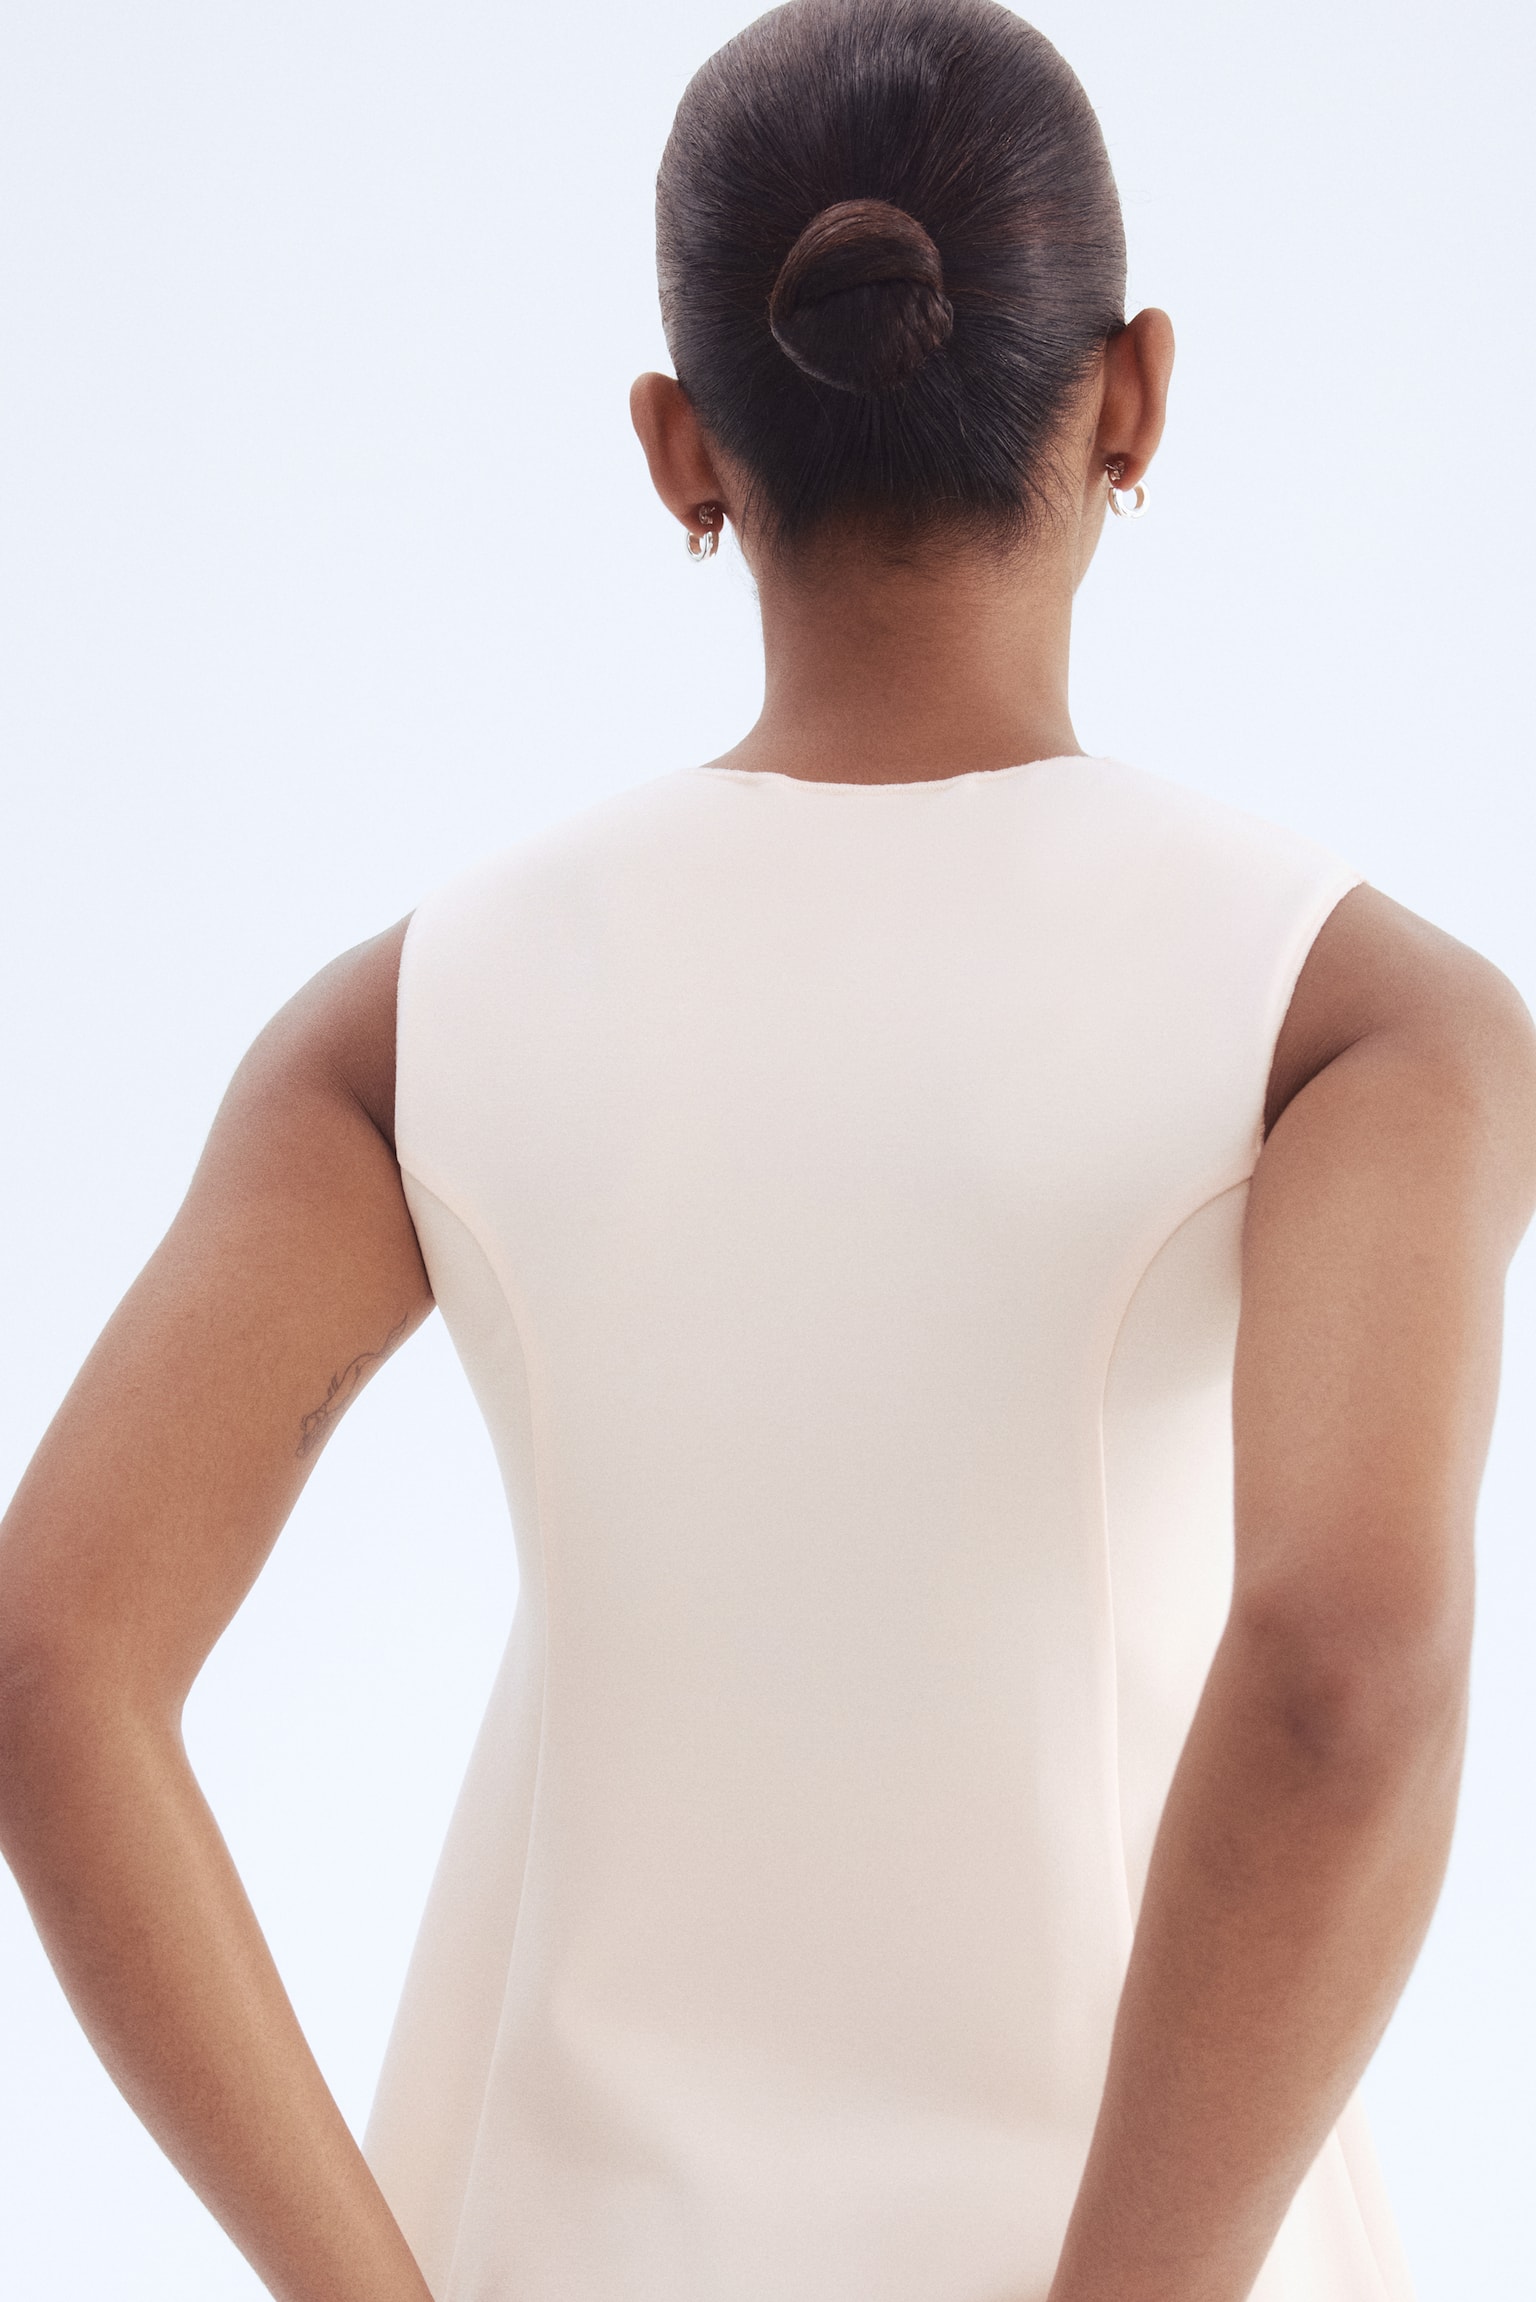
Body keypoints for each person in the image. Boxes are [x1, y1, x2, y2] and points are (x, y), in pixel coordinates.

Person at [1, 1, 1532, 2297]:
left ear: (681, 446)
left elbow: (52, 1657)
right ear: (1132, 394)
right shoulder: (1358, 1014)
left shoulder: (410, 1018)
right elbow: (1347, 1660)